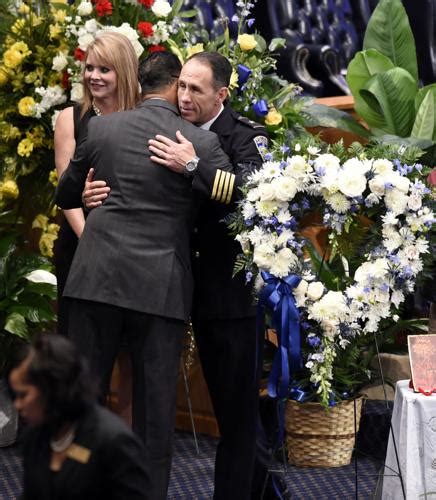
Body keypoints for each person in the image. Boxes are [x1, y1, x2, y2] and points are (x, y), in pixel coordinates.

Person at [84, 51, 288, 499]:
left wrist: (195, 166)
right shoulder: (167, 127)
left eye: (196, 89)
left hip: (226, 299)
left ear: (223, 94)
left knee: (235, 418)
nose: (185, 95)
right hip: (168, 288)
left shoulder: (245, 136)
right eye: (182, 86)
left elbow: (257, 200)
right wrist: (91, 190)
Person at [54, 52, 232, 499]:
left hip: (94, 281)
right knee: (154, 420)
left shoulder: (101, 127)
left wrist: (92, 193)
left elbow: (65, 193)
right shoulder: (199, 144)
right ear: (174, 87)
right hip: (160, 289)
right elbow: (237, 197)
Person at [53, 31, 140, 337]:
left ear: (124, 71)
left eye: (104, 69)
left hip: (133, 249)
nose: (94, 76)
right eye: (89, 68)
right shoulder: (70, 118)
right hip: (82, 245)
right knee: (80, 348)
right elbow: (66, 192)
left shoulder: (142, 117)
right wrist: (93, 241)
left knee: (129, 348)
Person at [8, 333, 148, 500]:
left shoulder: (114, 442)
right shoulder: (35, 437)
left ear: (52, 388)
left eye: (23, 395)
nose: (17, 405)